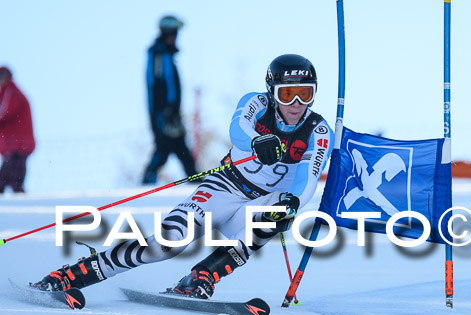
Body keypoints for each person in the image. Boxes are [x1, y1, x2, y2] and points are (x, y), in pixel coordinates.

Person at [32, 54, 333, 300]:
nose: (296, 104)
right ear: (272, 91)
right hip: (225, 188)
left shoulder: (319, 131)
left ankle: (202, 276)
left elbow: (308, 177)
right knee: (167, 243)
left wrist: (293, 203)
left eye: (305, 94)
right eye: (287, 94)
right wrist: (255, 141)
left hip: (258, 203)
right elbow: (237, 129)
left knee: (278, 213)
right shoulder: (257, 103)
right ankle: (76, 274)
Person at [142, 15, 197, 185]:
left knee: (181, 149)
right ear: (166, 34)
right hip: (162, 114)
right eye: (173, 34)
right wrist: (165, 110)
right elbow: (156, 84)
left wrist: (173, 110)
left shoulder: (166, 55)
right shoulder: (158, 54)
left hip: (171, 114)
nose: (175, 38)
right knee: (163, 149)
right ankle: (145, 183)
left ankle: (197, 182)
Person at [0, 66, 35, 193]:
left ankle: (12, 189)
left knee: (11, 165)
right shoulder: (11, 92)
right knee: (17, 165)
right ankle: (17, 189)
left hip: (16, 140)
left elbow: (4, 111)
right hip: (19, 140)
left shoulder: (10, 91)